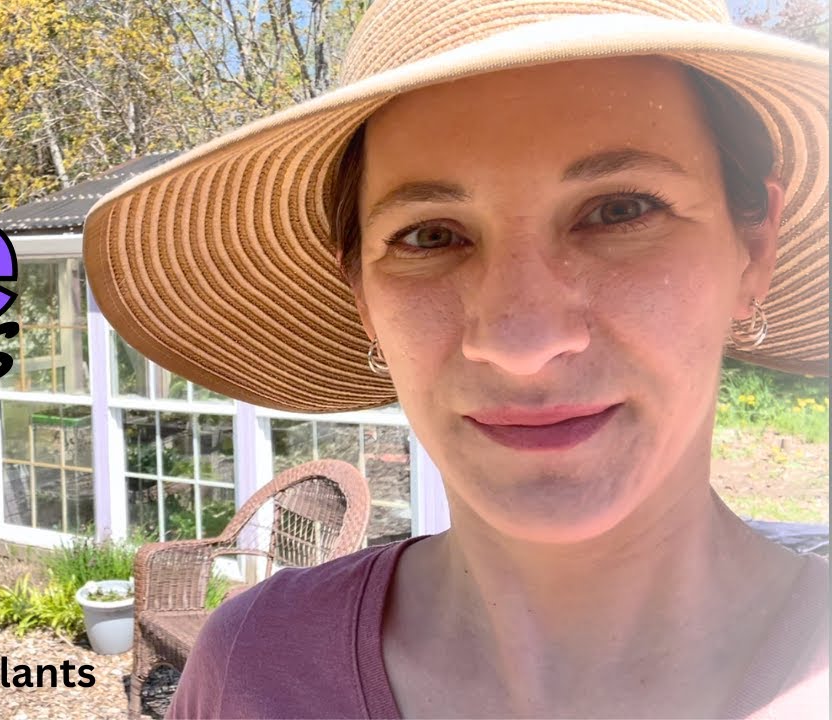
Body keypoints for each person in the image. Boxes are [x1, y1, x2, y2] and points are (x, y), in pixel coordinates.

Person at [81, 0, 829, 717]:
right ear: (363, 296)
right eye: (430, 235)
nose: (521, 342)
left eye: (620, 209)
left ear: (753, 251)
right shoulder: (251, 671)